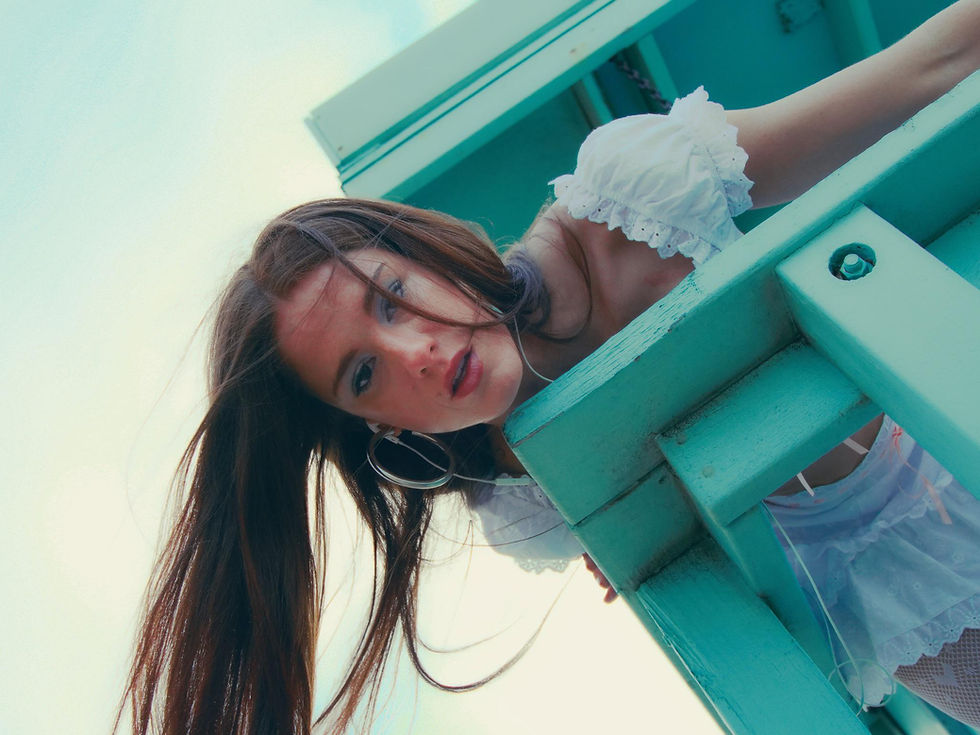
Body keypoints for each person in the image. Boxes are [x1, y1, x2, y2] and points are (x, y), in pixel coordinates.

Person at [118, 3, 980, 733]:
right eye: (364, 375)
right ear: (375, 426)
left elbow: (918, 75)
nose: (417, 352)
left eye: (392, 296)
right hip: (891, 594)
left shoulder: (626, 200)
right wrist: (633, 531)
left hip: (951, 422)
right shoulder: (525, 497)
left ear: (426, 254)